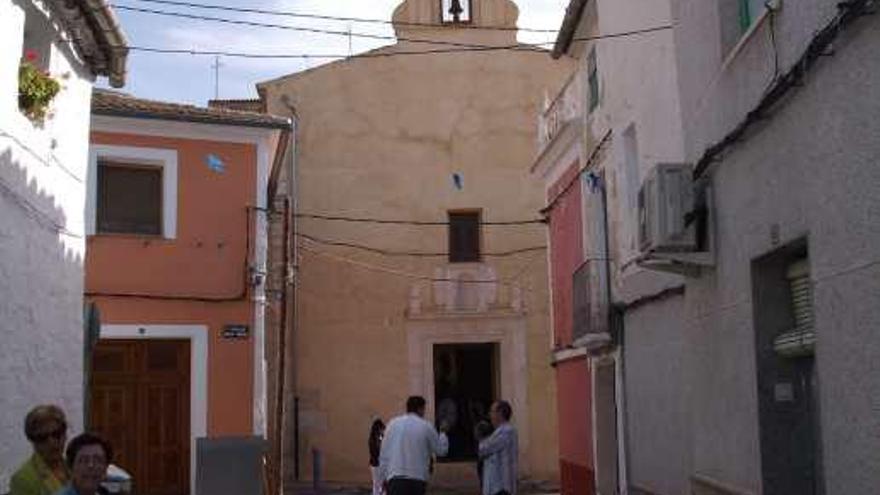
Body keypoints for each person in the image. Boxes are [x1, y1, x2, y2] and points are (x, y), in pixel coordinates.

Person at [378, 396, 449, 495]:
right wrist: (443, 433)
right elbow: (441, 451)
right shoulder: (426, 426)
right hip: (417, 478)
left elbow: (384, 454)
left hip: (395, 478)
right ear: (420, 409)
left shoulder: (392, 424)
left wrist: (382, 478)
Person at [10, 405, 70, 495]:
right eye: (42, 438)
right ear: (33, 441)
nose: (51, 442)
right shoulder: (22, 480)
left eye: (56, 434)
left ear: (65, 434)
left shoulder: (73, 465)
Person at [478, 401, 518, 495]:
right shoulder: (497, 433)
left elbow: (484, 449)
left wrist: (482, 437)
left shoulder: (506, 431)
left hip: (501, 487)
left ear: (500, 413)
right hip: (495, 487)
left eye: (492, 412)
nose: (490, 415)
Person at [368, 418, 386, 495]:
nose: (383, 430)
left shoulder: (375, 437)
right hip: (377, 464)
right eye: (382, 428)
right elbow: (378, 450)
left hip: (376, 464)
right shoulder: (375, 439)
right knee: (378, 485)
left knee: (378, 485)